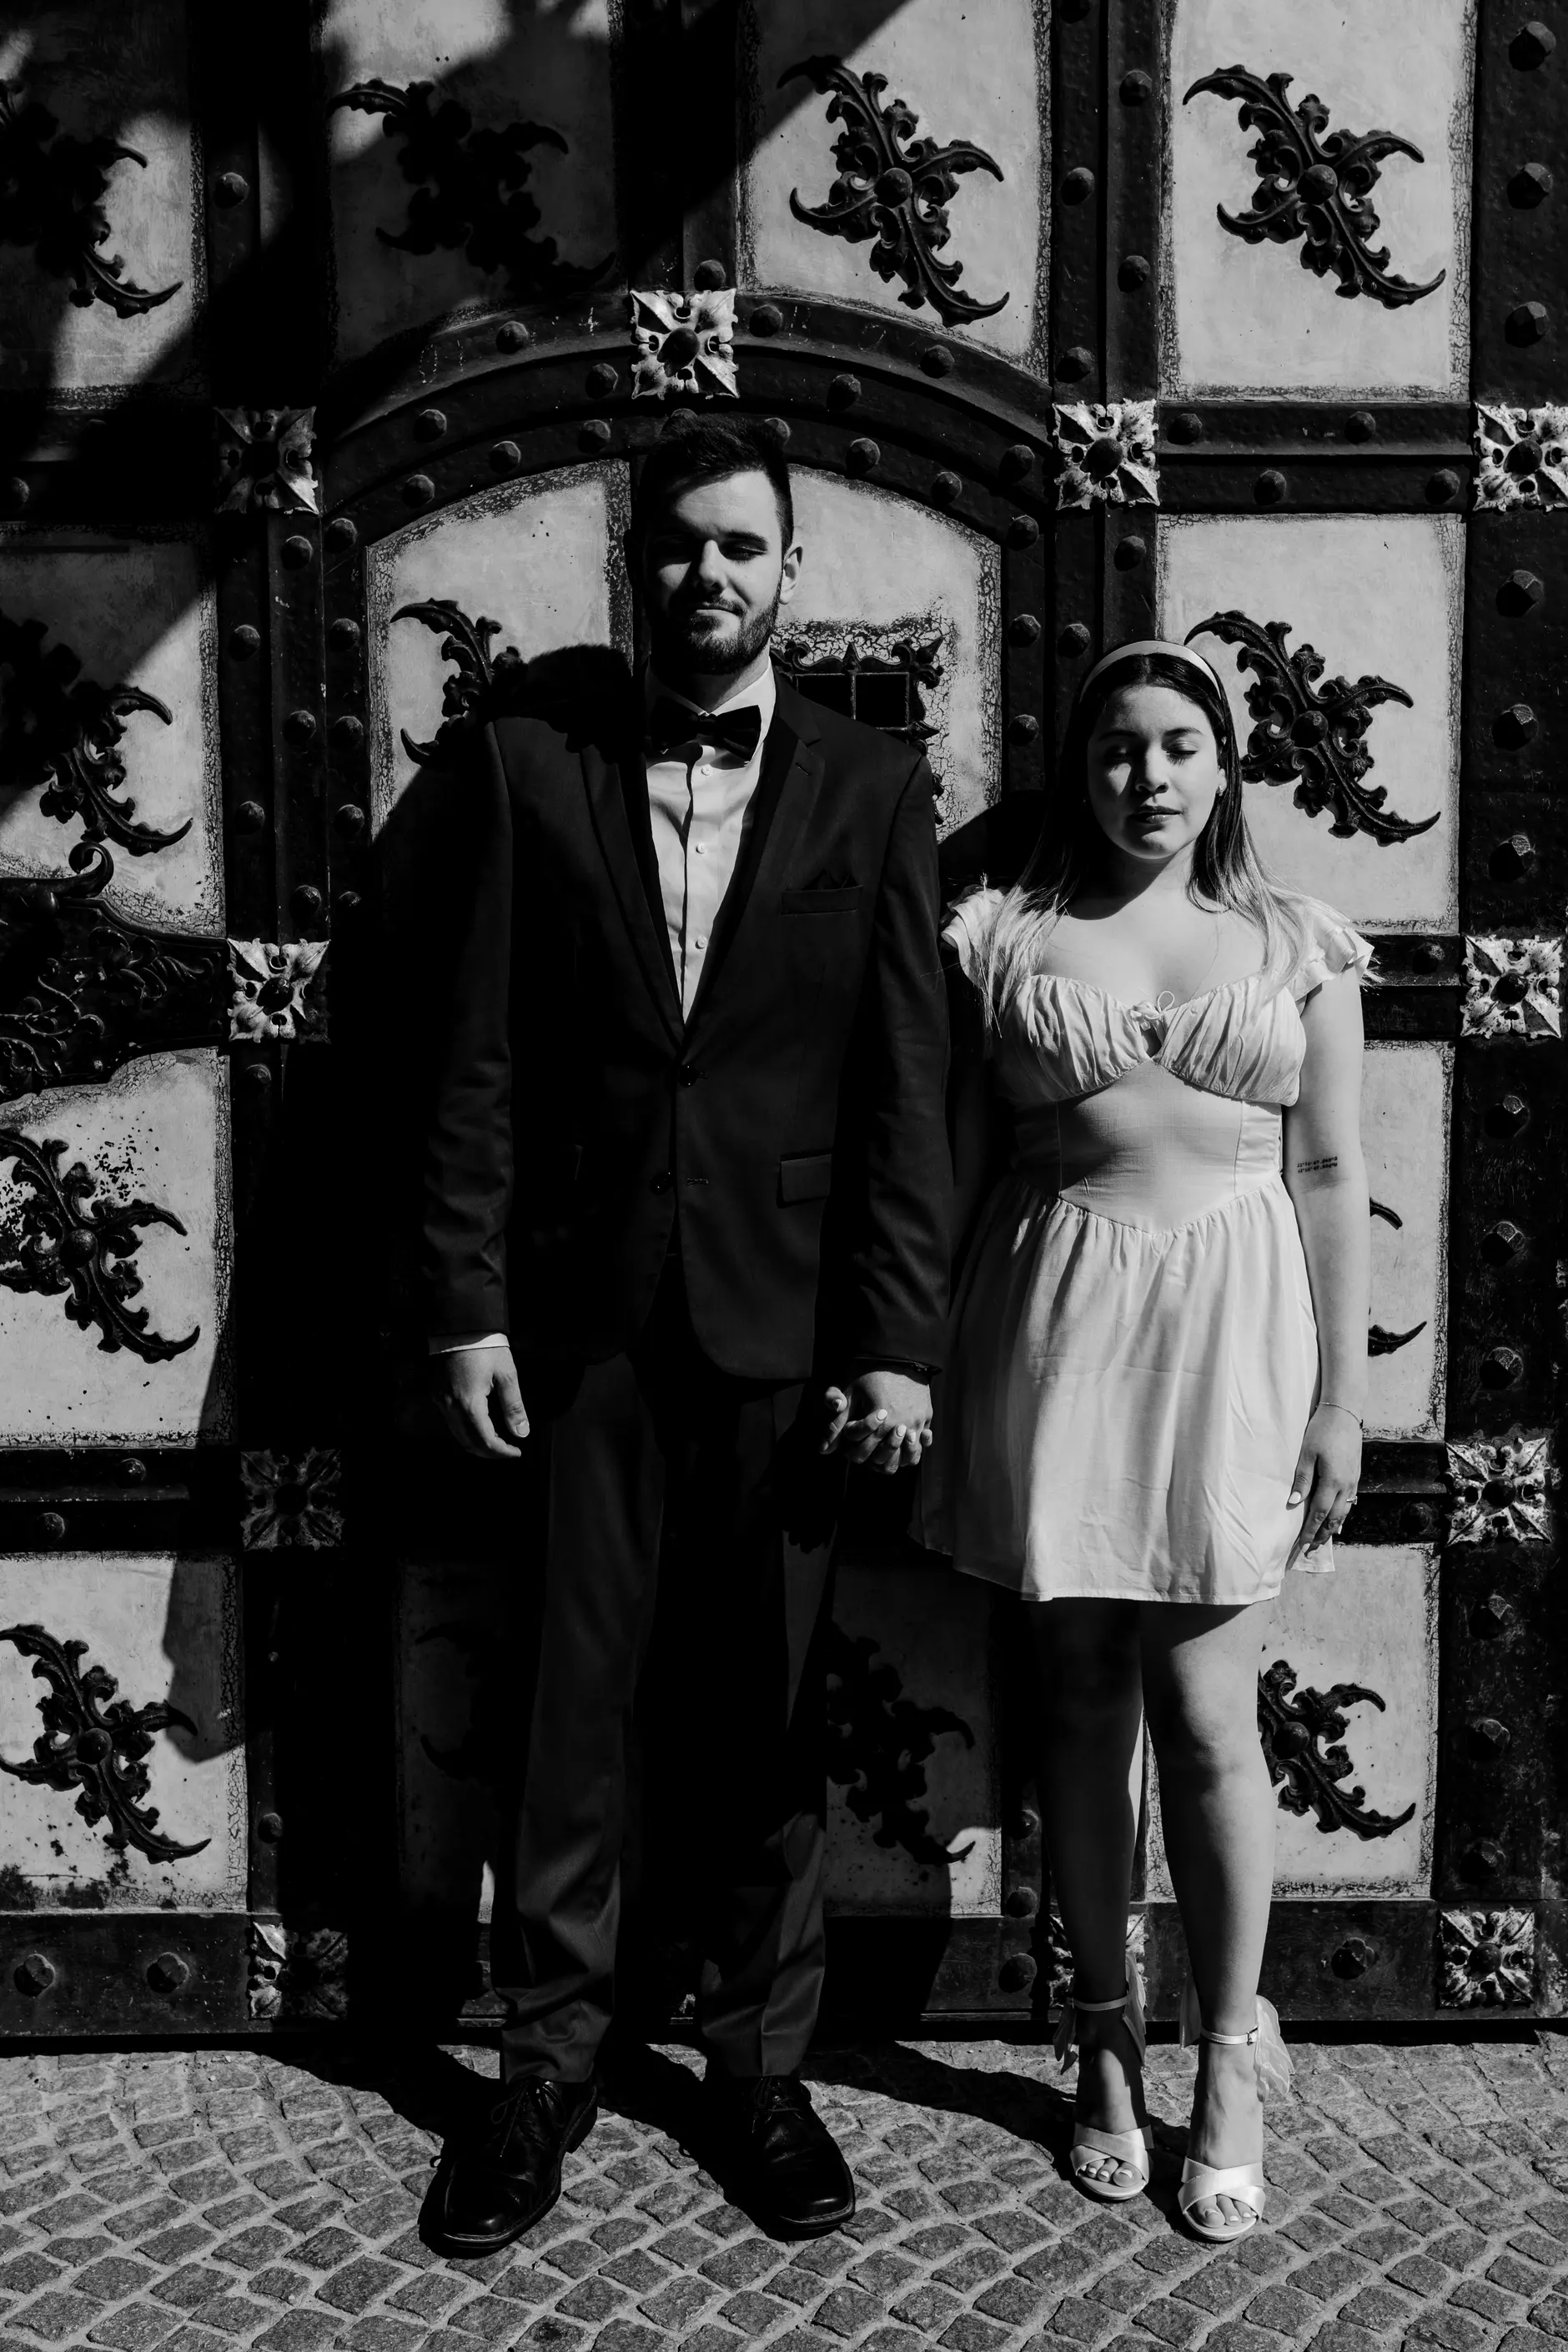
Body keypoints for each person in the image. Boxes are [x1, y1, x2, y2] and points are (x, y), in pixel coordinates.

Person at [419, 414, 950, 2254]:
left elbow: (906, 1087)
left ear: (789, 572)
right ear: (629, 568)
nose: (707, 578)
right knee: (571, 1714)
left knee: (760, 1715)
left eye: (742, 548)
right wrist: (468, 1306)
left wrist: (896, 1343)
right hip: (579, 1330)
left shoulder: (875, 793)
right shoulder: (520, 772)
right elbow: (471, 1062)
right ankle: (545, 2069)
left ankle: (754, 2067)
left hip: (788, 1333)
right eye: (676, 548)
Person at [925, 639, 1369, 2243]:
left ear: (1229, 762)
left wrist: (1339, 1400)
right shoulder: (1010, 931)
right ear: (1081, 765)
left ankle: (1229, 2054)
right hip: (1058, 1333)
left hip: (1236, 1341)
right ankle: (1103, 2037)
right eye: (1121, 748)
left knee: (1203, 1712)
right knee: (1082, 1703)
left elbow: (1329, 1179)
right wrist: (912, 1366)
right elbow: (964, 1166)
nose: (1152, 777)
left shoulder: (1292, 939)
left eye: (1183, 746)